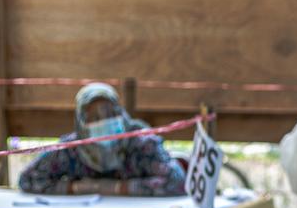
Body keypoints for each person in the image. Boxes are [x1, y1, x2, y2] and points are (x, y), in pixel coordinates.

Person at [18, 82, 185, 196]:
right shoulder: (72, 149)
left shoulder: (141, 143)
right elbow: (28, 179)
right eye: (95, 117)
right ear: (82, 123)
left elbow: (176, 181)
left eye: (111, 114)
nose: (105, 121)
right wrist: (77, 188)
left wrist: (119, 189)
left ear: (121, 114)